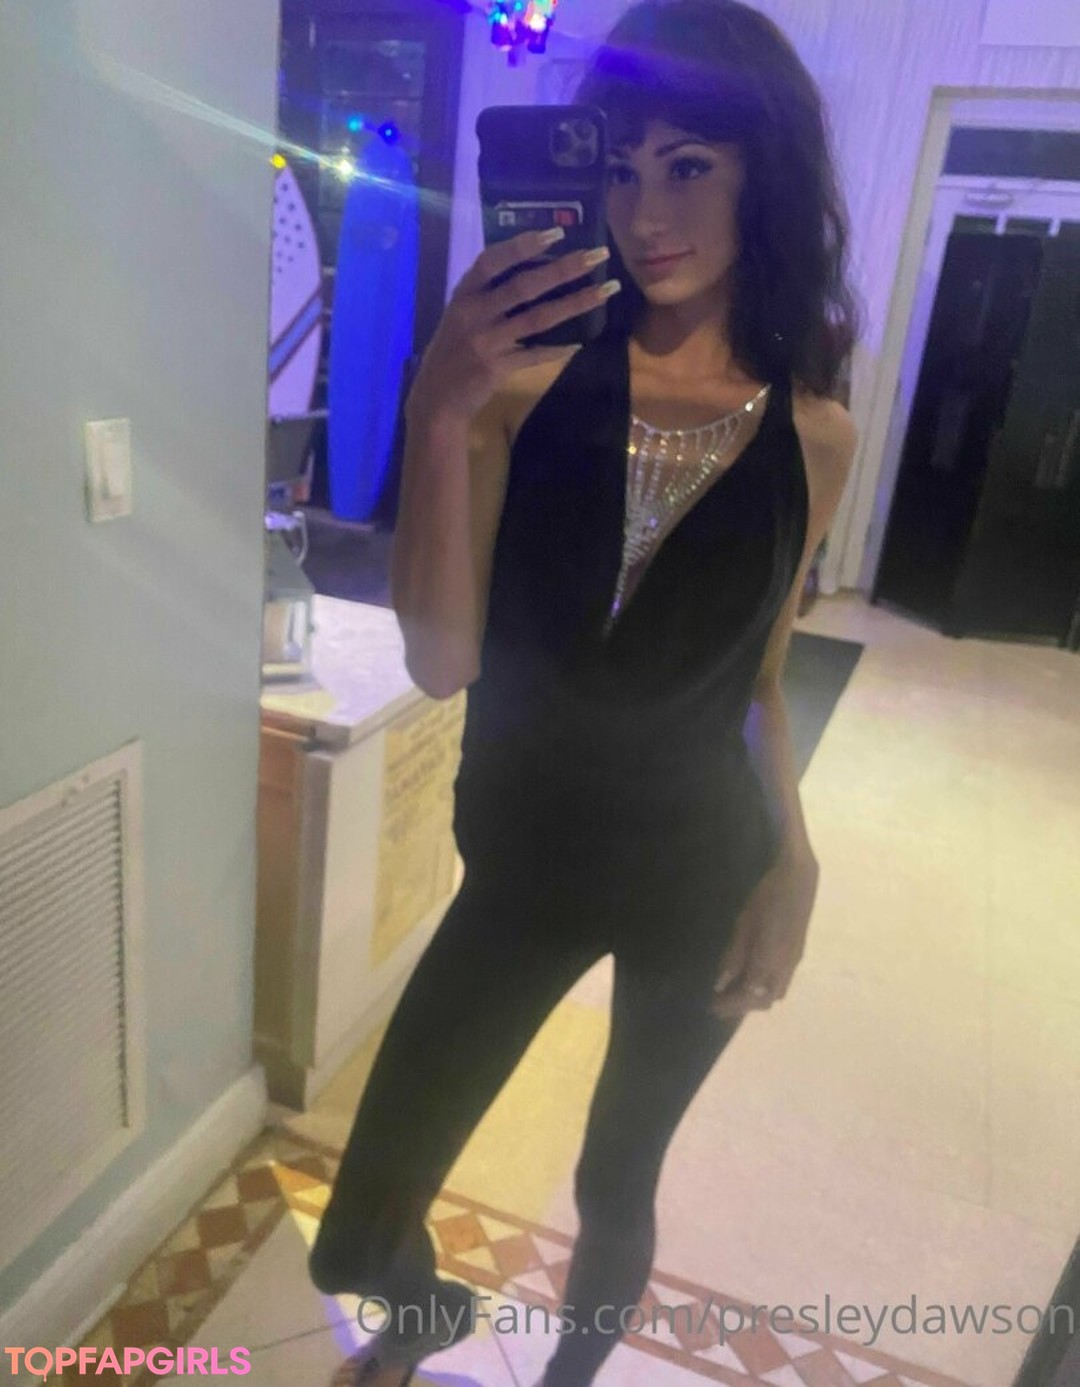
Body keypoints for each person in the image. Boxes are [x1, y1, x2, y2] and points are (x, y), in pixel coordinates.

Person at [309, 2, 863, 1383]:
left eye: (690, 167)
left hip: (701, 868)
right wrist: (438, 405)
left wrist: (795, 859)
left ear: (765, 175)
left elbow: (760, 680)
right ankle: (421, 1311)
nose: (644, 213)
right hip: (526, 864)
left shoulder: (817, 434)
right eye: (618, 167)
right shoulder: (523, 386)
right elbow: (441, 660)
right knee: (357, 1229)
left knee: (620, 1183)